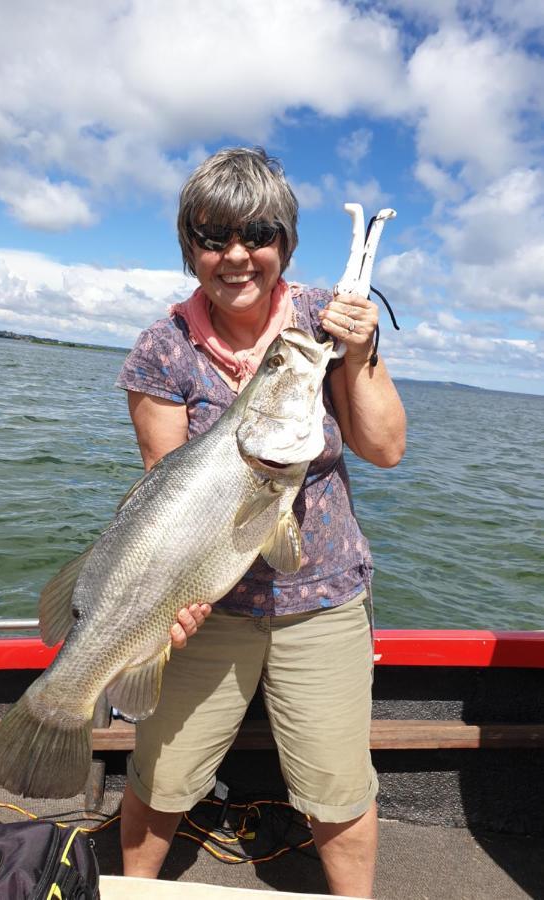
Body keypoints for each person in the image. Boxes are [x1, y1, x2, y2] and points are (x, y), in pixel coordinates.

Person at [114, 147, 406, 898]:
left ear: (286, 242)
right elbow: (163, 490)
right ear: (189, 248)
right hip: (206, 609)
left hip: (324, 599)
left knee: (338, 792)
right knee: (162, 777)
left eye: (258, 235)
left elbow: (384, 449)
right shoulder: (162, 349)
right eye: (212, 238)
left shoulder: (326, 320)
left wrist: (361, 352)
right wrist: (165, 605)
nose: (236, 256)